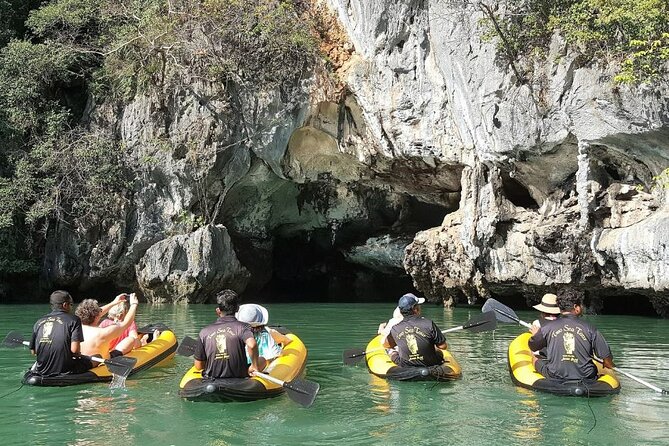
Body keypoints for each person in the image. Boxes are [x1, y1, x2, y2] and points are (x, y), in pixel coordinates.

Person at [528, 288, 615, 380]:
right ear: (576, 308)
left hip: (555, 375)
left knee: (535, 359)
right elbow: (607, 359)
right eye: (581, 305)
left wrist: (536, 334)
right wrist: (608, 363)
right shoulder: (590, 328)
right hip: (586, 376)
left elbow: (533, 346)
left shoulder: (547, 328)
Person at [192, 289, 260, 378]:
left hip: (212, 380)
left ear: (218, 310)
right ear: (237, 308)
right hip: (239, 379)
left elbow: (199, 366)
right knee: (262, 360)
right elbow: (252, 345)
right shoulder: (244, 327)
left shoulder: (204, 332)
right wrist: (254, 366)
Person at [29, 290, 93, 375]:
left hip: (42, 369)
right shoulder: (74, 320)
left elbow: (34, 351)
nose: (71, 307)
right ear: (65, 305)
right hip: (65, 369)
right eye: (71, 304)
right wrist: (78, 354)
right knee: (97, 357)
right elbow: (74, 350)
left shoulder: (39, 322)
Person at [382, 293, 448, 367]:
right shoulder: (429, 324)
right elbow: (443, 346)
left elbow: (386, 345)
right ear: (415, 309)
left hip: (405, 365)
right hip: (430, 363)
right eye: (418, 305)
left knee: (392, 353)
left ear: (401, 311)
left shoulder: (395, 329)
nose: (420, 307)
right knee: (439, 352)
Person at [75, 293, 139, 359]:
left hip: (83, 360)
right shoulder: (104, 332)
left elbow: (96, 313)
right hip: (100, 362)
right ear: (97, 316)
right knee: (130, 340)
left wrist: (114, 302)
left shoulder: (76, 327)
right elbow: (127, 323)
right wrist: (134, 304)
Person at [236, 303, 292, 371]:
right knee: (263, 360)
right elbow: (286, 340)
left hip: (238, 366)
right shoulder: (268, 332)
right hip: (256, 366)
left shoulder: (234, 334)